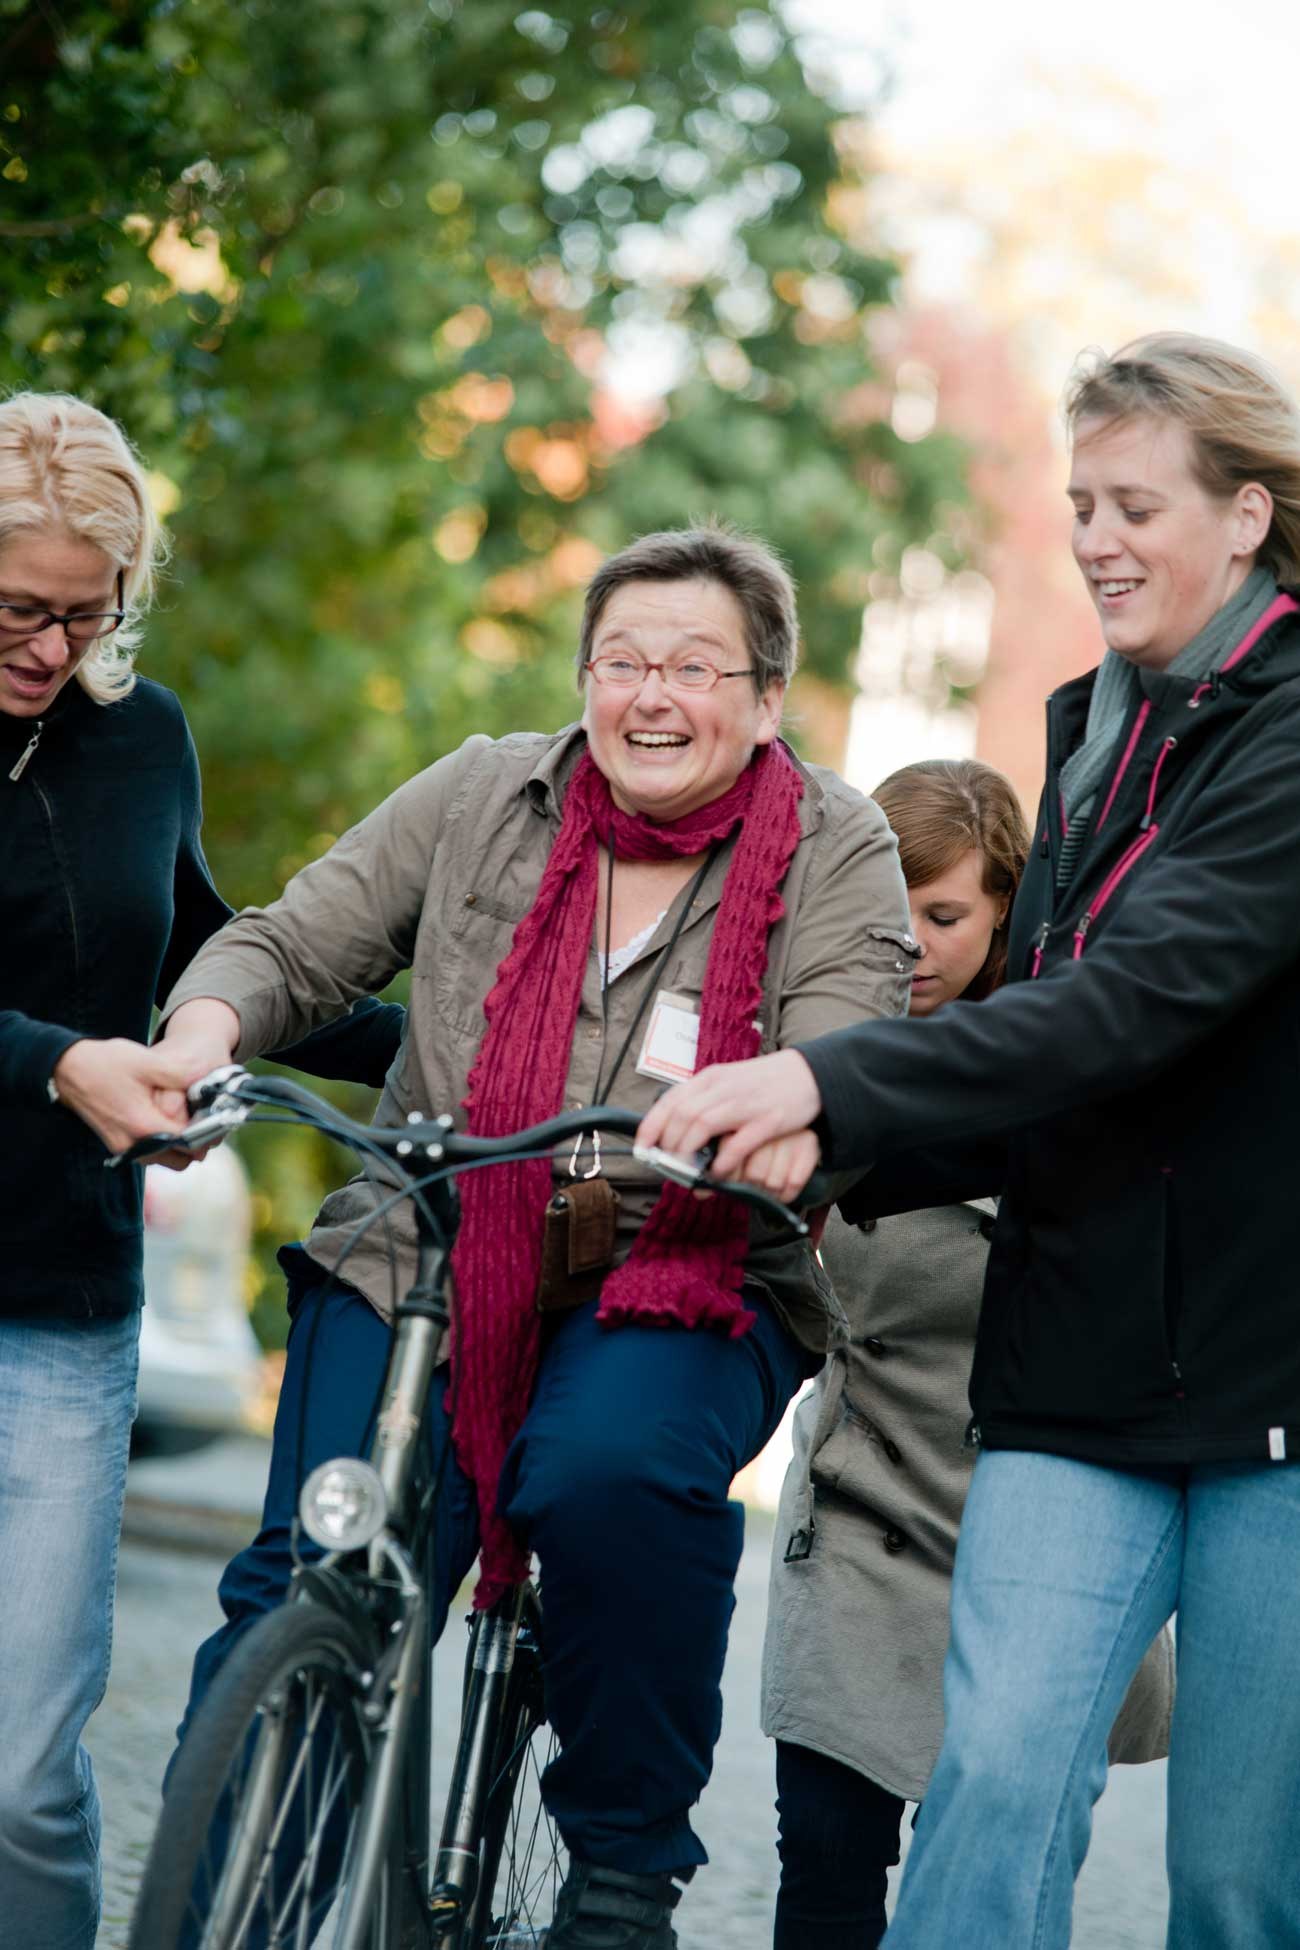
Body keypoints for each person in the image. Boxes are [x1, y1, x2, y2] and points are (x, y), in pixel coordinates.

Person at [93, 524, 918, 1949]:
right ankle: (236, 1880)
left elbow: (847, 1042)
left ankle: (617, 1870)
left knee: (606, 1472)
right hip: (430, 1233)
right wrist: (205, 1037)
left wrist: (800, 1107)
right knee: (314, 1566)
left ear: (768, 698)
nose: (649, 696)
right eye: (620, 661)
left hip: (689, 1259)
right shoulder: (485, 792)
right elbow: (295, 943)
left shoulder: (839, 847)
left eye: (693, 667)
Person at [639, 333, 1300, 1947]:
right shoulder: (1101, 732)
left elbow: (1137, 1005)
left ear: (1250, 517)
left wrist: (832, 1090)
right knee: (993, 1792)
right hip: (1074, 1368)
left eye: (1136, 502)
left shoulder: (1285, 740)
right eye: (1081, 502)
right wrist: (826, 1153)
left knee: (1235, 1884)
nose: (1095, 539)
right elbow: (1057, 1073)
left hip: (1276, 1379)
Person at [0, 390, 403, 1950]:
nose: (50, 649)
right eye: (19, 610)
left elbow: (195, 952)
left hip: (62, 1305)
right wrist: (52, 1058)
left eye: (84, 616)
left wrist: (465, 1040)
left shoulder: (141, 736)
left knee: (27, 1774)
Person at [761, 757, 1172, 1950]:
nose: (913, 946)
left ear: (1003, 915)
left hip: (1030, 1518)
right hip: (861, 1503)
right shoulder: (821, 1045)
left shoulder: (1060, 1061)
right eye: (890, 916)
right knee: (823, 1857)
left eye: (942, 917)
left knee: (981, 1865)